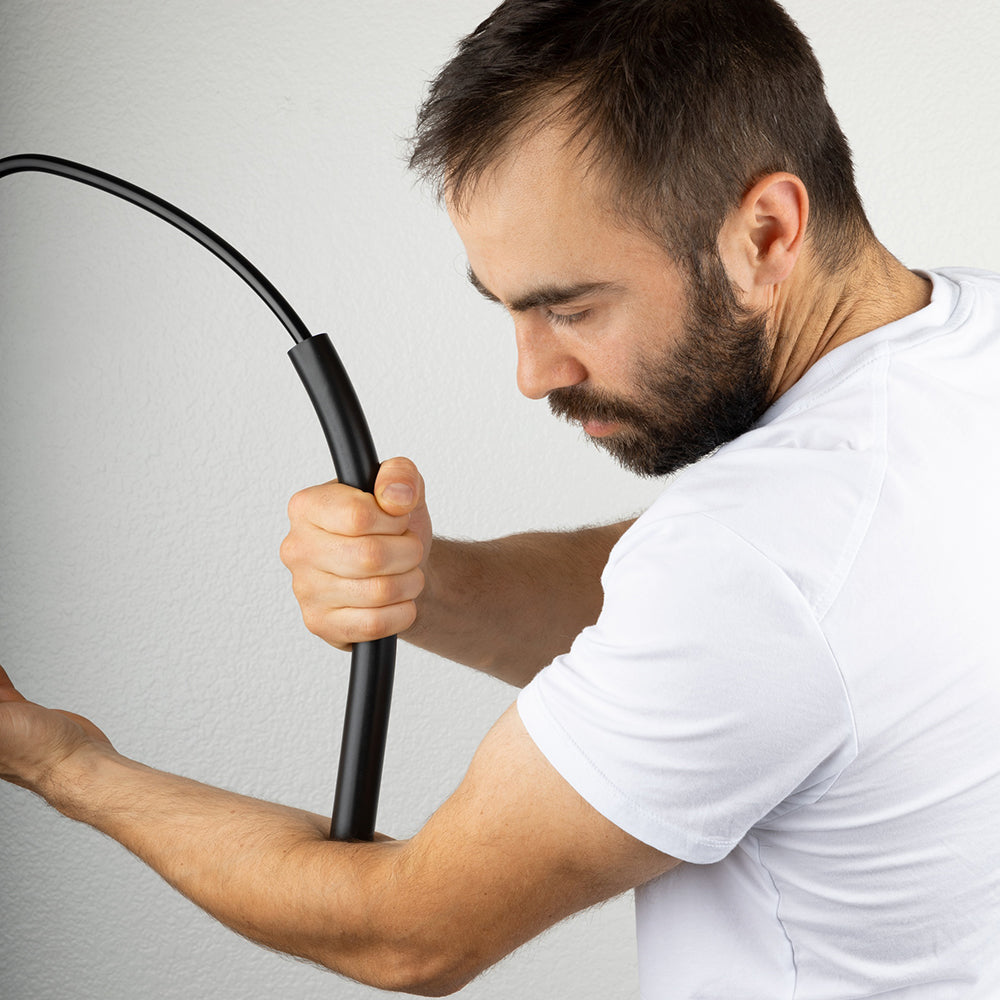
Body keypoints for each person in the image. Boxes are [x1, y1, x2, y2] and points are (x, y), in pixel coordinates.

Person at [3, 0, 1000, 995]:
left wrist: (65, 764)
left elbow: (406, 932)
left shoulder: (755, 561)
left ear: (767, 232)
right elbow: (732, 599)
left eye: (568, 306)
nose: (531, 373)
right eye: (509, 306)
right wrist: (429, 583)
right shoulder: (961, 350)